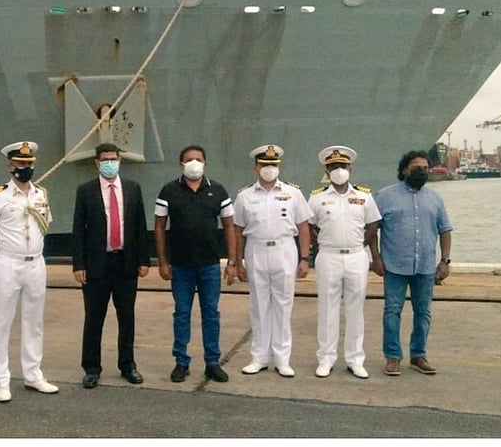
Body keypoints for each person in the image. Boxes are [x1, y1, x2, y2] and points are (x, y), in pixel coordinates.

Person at [0, 141, 58, 402]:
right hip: (8, 262)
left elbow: (45, 224)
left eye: (29, 164)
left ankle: (33, 374)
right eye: (20, 164)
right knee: (1, 321)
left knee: (34, 321)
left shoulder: (40, 193)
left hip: (36, 262)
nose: (25, 168)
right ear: (10, 165)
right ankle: (0, 379)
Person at [154, 145, 237, 384]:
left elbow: (229, 226)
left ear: (205, 163)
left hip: (209, 264)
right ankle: (181, 362)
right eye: (189, 159)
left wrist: (232, 262)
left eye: (198, 159)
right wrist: (162, 261)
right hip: (180, 265)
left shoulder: (218, 190)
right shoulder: (169, 190)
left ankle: (212, 362)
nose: (194, 163)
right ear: (181, 164)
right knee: (181, 314)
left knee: (211, 314)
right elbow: (159, 226)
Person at [72, 143, 150, 389]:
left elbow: (139, 225)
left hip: (125, 262)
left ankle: (127, 365)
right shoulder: (85, 191)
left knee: (126, 316)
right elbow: (78, 230)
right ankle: (91, 368)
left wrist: (143, 259)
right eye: (105, 159)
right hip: (97, 263)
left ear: (120, 161)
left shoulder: (132, 189)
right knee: (94, 317)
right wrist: (79, 263)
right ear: (96, 162)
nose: (109, 163)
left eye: (113, 159)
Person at [369, 150, 452, 377]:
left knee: (423, 313)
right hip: (394, 265)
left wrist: (444, 261)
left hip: (425, 266)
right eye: (417, 168)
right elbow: (372, 229)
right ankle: (393, 357)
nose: (422, 172)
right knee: (392, 311)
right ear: (405, 169)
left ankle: (418, 355)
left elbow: (445, 230)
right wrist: (375, 258)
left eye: (426, 168)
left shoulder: (434, 198)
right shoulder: (384, 196)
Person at [231, 144, 312, 378]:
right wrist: (237, 261)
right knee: (259, 306)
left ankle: (282, 359)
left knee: (283, 306)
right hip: (256, 249)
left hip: (285, 249)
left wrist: (305, 258)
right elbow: (237, 230)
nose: (269, 169)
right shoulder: (244, 195)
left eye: (273, 165)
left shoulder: (293, 193)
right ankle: (259, 357)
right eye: (265, 165)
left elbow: (303, 226)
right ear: (256, 167)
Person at [307, 146, 381, 379]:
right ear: (327, 170)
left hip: (356, 256)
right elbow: (307, 225)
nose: (338, 170)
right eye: (333, 167)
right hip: (328, 256)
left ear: (350, 168)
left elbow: (373, 225)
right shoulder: (317, 197)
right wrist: (319, 242)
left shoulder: (364, 195)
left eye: (342, 166)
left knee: (355, 308)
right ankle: (326, 358)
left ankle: (355, 359)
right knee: (327, 308)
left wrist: (364, 245)